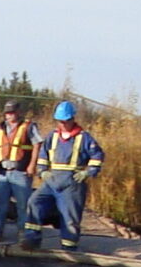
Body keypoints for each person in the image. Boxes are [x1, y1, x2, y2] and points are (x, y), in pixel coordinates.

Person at [19, 101, 104, 250]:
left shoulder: (83, 137)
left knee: (69, 217)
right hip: (51, 181)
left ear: (72, 119)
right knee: (34, 202)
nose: (63, 124)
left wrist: (87, 172)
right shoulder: (53, 136)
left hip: (72, 184)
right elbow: (43, 154)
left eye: (65, 121)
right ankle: (32, 239)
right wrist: (43, 170)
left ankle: (69, 247)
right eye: (60, 121)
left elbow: (97, 155)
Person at [0, 99, 41, 243]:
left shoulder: (28, 127)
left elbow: (37, 145)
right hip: (2, 173)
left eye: (12, 112)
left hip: (21, 172)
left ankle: (24, 235)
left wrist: (32, 165)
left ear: (19, 112)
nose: (9, 115)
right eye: (7, 112)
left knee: (23, 205)